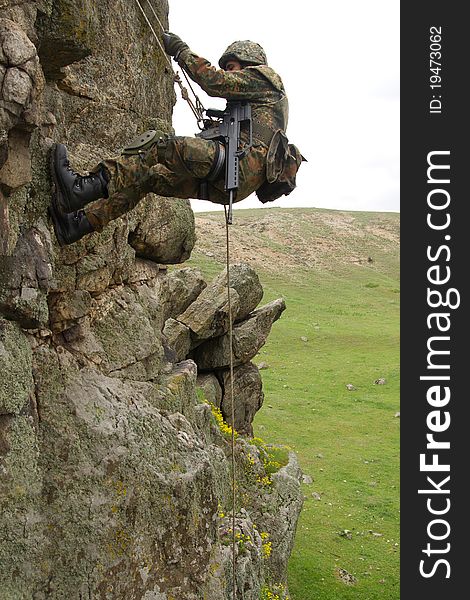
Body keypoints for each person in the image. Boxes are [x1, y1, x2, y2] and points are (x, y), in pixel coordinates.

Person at [49, 34, 290, 246]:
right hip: (232, 182)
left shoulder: (266, 79)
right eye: (227, 67)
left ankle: (82, 188)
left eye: (232, 66)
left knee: (157, 145)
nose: (229, 71)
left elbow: (215, 82)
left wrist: (181, 50)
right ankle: (79, 225)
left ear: (250, 63)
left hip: (234, 166)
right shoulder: (257, 105)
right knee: (148, 178)